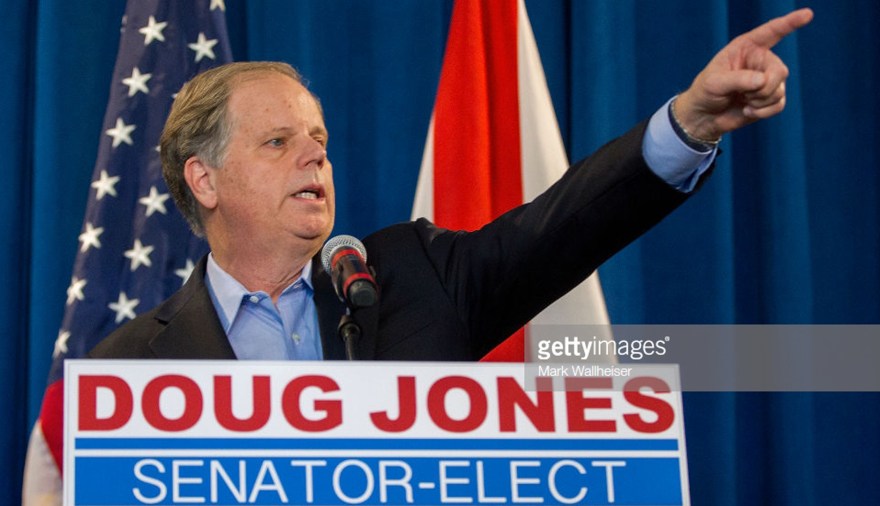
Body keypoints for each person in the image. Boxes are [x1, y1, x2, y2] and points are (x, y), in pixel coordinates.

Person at [90, 9, 814, 361]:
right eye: (279, 142)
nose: (315, 158)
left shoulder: (412, 275)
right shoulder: (129, 363)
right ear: (204, 180)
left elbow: (566, 225)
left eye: (321, 141)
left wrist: (690, 122)